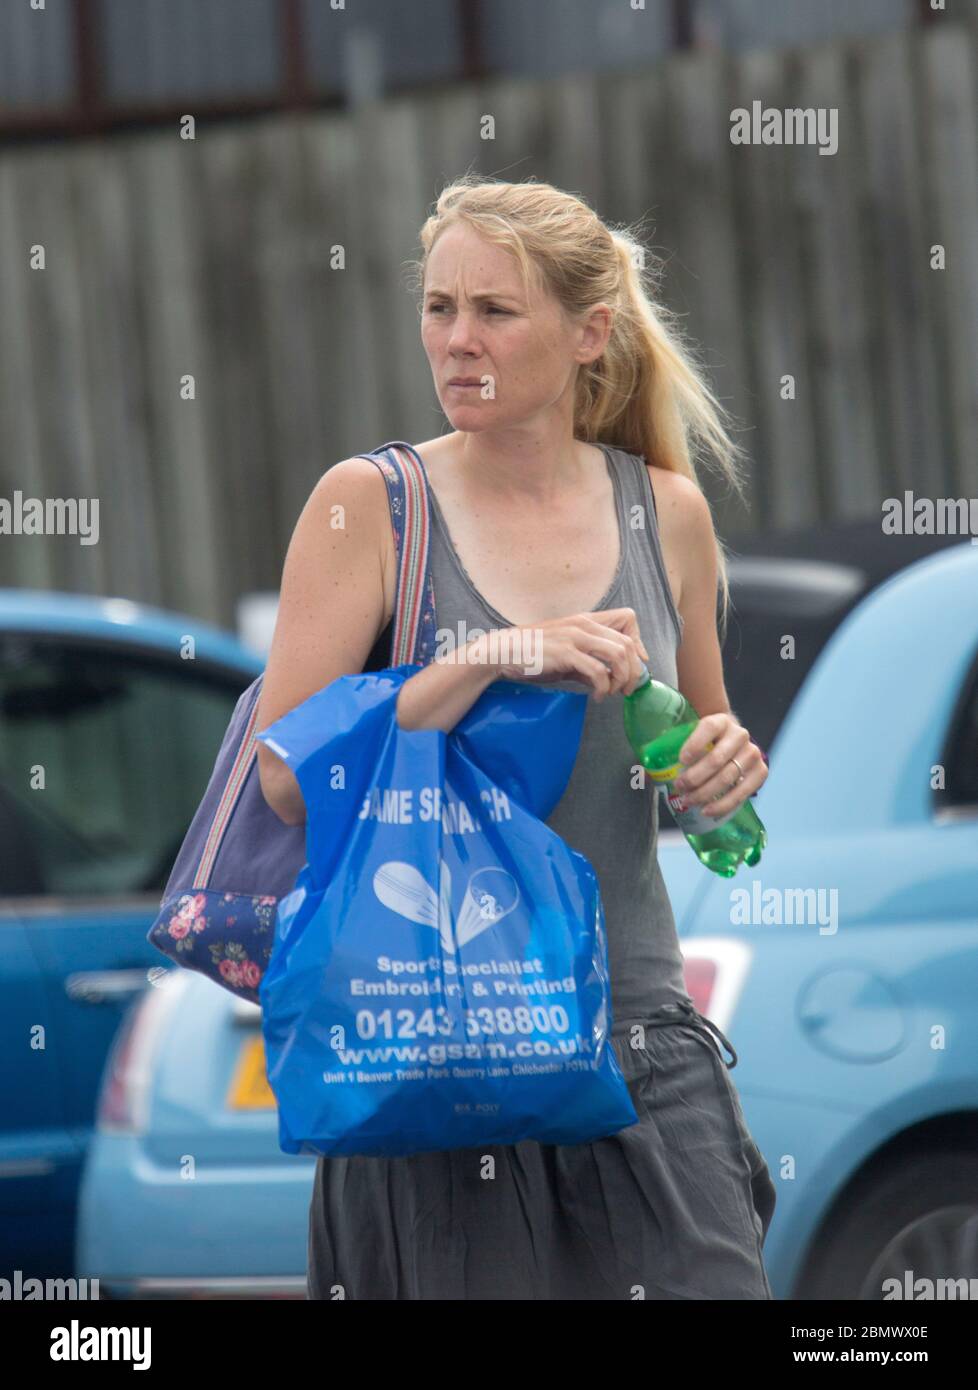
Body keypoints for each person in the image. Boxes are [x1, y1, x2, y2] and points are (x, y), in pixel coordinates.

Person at [256, 175, 776, 1300]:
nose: (458, 339)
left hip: (641, 1051)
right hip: (438, 1061)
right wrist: (496, 654)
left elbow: (689, 763)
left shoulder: (665, 512)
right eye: (439, 308)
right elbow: (284, 777)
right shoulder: (370, 507)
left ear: (591, 333)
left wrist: (719, 775)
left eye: (495, 310)